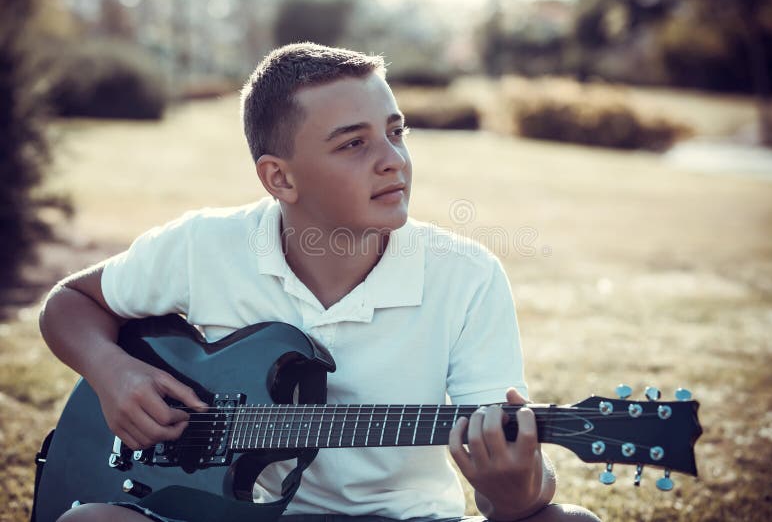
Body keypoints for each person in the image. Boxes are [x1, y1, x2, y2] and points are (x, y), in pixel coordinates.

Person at [39, 43, 600, 522]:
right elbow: (68, 304)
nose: (393, 161)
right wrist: (113, 373)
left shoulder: (467, 276)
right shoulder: (203, 245)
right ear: (279, 177)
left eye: (395, 131)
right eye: (353, 143)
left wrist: (512, 488)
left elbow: (510, 495)